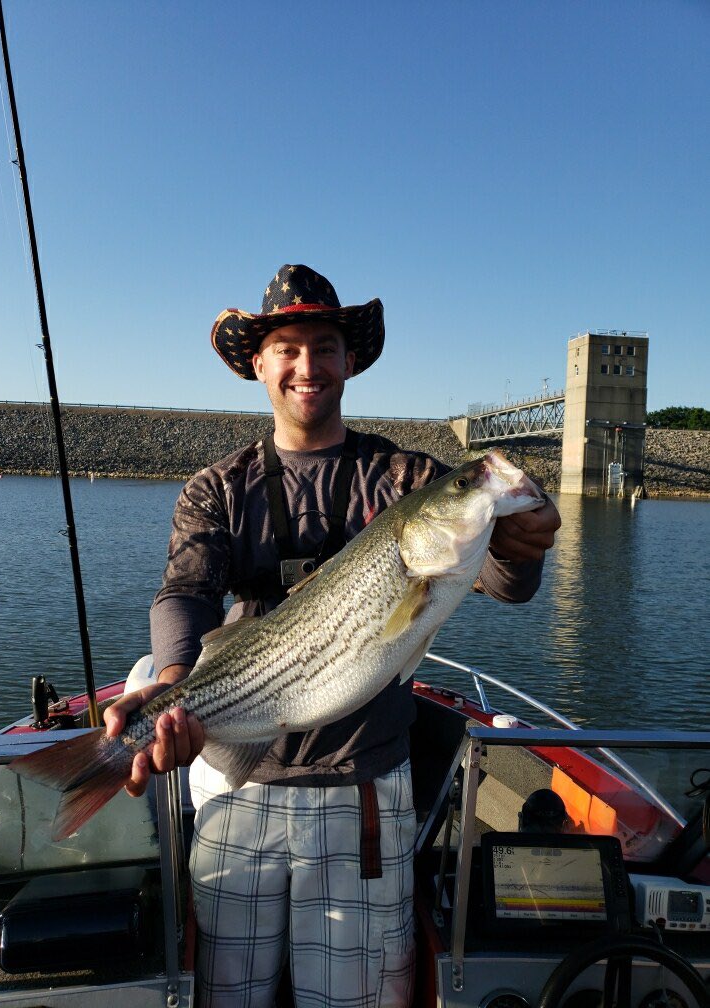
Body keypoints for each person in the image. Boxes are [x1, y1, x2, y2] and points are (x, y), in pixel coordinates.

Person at [105, 264, 561, 1008]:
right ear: (258, 363)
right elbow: (187, 589)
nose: (306, 365)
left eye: (324, 345)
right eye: (287, 348)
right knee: (229, 995)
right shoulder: (216, 488)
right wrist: (170, 679)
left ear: (350, 360)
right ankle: (88, 764)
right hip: (234, 781)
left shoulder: (408, 479)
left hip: (363, 790)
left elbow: (507, 583)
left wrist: (519, 541)